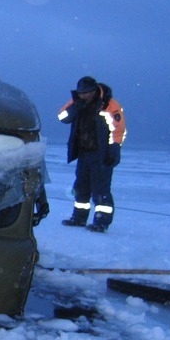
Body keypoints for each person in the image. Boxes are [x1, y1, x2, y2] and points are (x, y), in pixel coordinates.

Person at [57, 76, 126, 232]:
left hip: (102, 153)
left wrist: (114, 148)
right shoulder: (77, 102)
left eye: (87, 92)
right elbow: (62, 117)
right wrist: (76, 106)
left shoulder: (109, 105)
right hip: (83, 152)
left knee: (101, 189)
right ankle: (79, 218)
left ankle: (101, 222)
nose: (84, 95)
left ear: (95, 91)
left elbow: (118, 129)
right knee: (81, 187)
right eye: (81, 93)